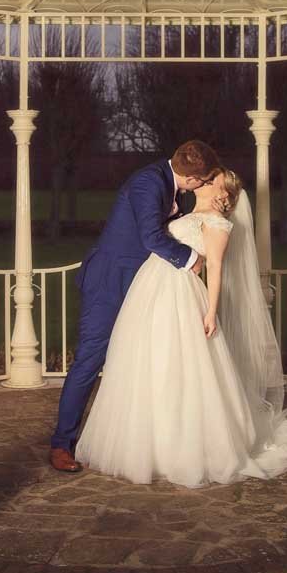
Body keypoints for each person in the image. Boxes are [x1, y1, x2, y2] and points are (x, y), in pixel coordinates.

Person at [75, 169, 287, 488]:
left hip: (180, 295)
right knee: (151, 361)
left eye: (209, 180)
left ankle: (180, 447)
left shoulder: (218, 223)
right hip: (151, 291)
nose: (201, 182)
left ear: (221, 192)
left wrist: (212, 311)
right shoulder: (188, 212)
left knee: (182, 366)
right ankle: (147, 440)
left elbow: (214, 267)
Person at [48, 140, 222, 472]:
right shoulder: (149, 182)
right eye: (203, 180)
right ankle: (61, 444)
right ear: (194, 179)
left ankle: (139, 442)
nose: (201, 186)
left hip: (142, 283)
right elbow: (151, 238)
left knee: (141, 360)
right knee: (90, 359)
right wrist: (193, 259)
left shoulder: (171, 187)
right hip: (110, 281)